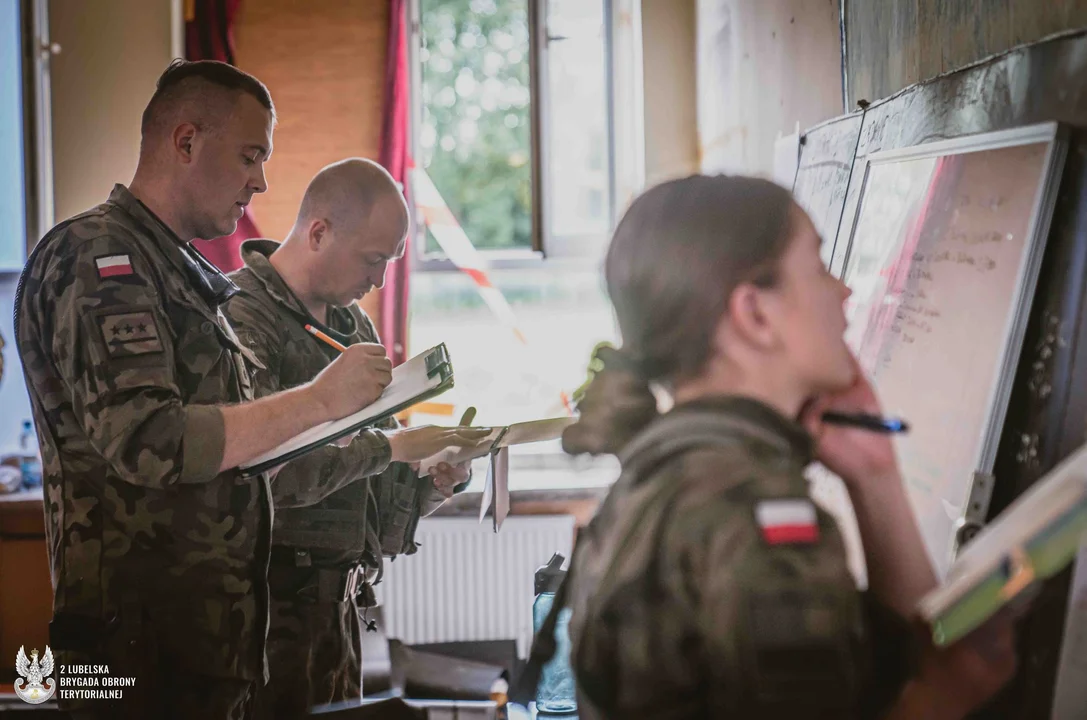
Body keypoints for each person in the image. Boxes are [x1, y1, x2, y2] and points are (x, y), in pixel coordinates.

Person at [14, 60, 480, 720]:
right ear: (185, 142)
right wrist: (322, 403)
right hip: (132, 651)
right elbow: (150, 442)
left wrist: (405, 469)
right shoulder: (98, 255)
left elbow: (246, 461)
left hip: (208, 647)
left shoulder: (185, 273)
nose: (260, 181)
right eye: (248, 156)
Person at [557, 175, 1018, 719]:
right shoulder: (755, 510)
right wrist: (946, 698)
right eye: (819, 267)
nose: (843, 291)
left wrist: (874, 476)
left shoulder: (663, 472)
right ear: (755, 314)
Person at [222, 158, 480, 717]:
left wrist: (430, 478)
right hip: (266, 620)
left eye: (391, 262)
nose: (380, 280)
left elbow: (369, 483)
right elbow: (265, 478)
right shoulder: (240, 319)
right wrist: (390, 449)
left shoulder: (352, 326)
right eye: (373, 260)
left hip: (341, 612)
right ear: (318, 232)